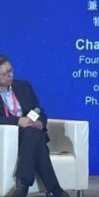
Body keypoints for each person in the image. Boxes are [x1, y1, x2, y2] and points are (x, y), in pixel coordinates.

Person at [0, 55, 71, 197]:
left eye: (11, 71)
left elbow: (39, 111)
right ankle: (55, 190)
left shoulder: (24, 86)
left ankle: (23, 186)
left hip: (30, 135)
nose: (10, 75)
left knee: (33, 133)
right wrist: (18, 121)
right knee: (36, 140)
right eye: (4, 74)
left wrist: (40, 123)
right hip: (7, 139)